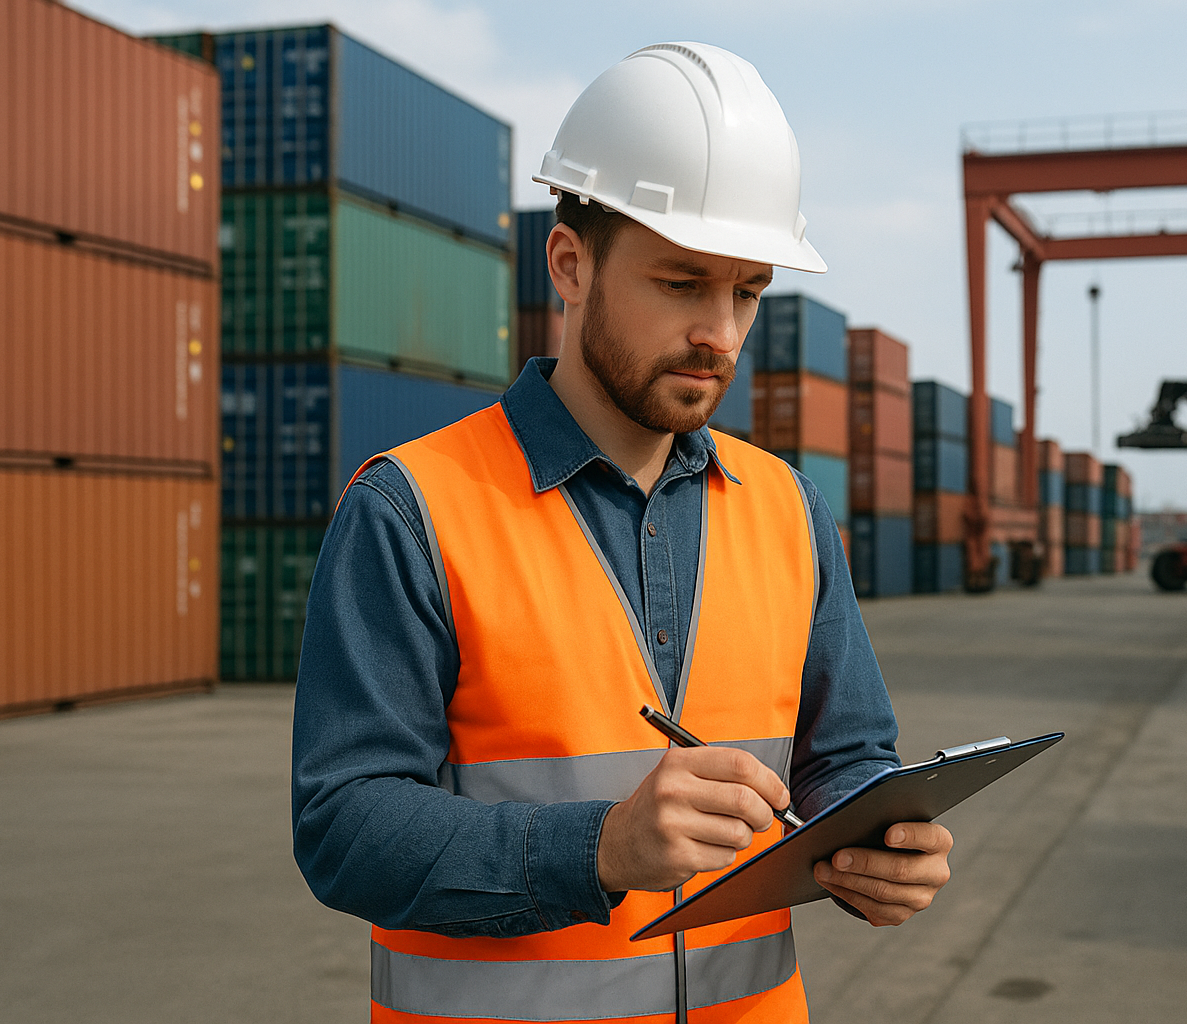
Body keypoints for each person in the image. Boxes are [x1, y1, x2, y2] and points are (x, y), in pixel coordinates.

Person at [291, 41, 953, 1024]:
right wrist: (600, 847)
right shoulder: (412, 509)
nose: (722, 334)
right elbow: (344, 827)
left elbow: (844, 759)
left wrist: (881, 845)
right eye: (683, 284)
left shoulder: (788, 507)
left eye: (747, 291)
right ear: (571, 264)